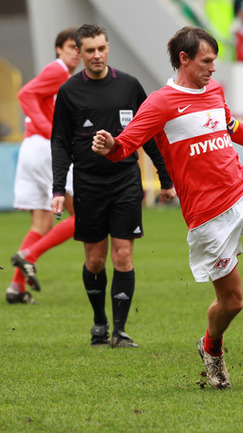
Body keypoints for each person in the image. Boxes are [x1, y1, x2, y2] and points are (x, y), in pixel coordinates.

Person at [90, 26, 243, 390]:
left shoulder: (214, 91)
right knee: (232, 304)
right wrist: (110, 145)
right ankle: (211, 347)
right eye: (206, 61)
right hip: (208, 217)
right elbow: (124, 147)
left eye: (214, 60)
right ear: (184, 59)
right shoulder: (159, 103)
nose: (213, 68)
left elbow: (235, 129)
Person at [51, 24, 176, 348]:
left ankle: (120, 331)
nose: (97, 55)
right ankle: (99, 323)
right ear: (79, 52)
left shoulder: (129, 86)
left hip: (125, 182)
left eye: (101, 48)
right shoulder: (69, 91)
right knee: (95, 260)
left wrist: (165, 179)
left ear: (108, 48)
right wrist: (57, 189)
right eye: (90, 50)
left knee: (123, 254)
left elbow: (151, 134)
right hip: (88, 185)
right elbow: (60, 142)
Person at [7, 28, 80, 305]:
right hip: (44, 149)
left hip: (30, 148)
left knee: (42, 222)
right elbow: (25, 94)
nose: (77, 52)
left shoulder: (61, 76)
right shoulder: (58, 70)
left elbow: (35, 97)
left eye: (80, 47)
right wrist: (52, 133)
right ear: (59, 48)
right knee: (82, 215)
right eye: (72, 46)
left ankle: (16, 288)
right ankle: (29, 256)